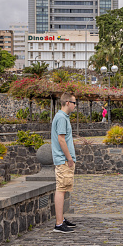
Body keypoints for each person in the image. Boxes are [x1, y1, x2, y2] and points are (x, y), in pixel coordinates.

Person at [51, 93, 77, 233]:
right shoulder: (61, 118)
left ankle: (61, 219)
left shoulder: (62, 117)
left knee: (64, 187)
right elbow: (61, 139)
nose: (75, 105)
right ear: (67, 103)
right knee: (61, 189)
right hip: (63, 160)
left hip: (64, 159)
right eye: (74, 102)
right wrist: (69, 158)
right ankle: (59, 223)